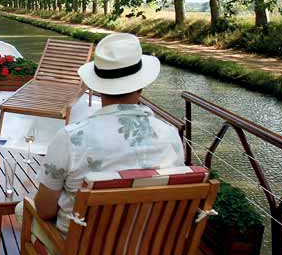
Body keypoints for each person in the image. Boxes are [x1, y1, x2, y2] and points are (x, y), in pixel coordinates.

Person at [33, 32, 184, 232]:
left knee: (22, 209)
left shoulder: (71, 138)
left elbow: (45, 210)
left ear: (96, 88)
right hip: (144, 251)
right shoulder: (170, 135)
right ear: (142, 85)